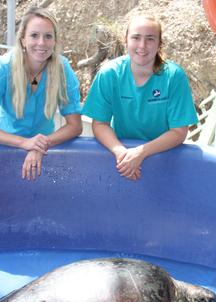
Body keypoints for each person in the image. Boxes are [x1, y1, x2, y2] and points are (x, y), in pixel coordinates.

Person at [82, 15, 198, 181]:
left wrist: (141, 153)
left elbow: (179, 132)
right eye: (136, 38)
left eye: (150, 39)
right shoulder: (110, 74)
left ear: (159, 44)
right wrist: (121, 153)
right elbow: (100, 124)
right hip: (123, 159)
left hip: (164, 157)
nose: (142, 46)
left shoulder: (173, 76)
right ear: (126, 40)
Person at [0, 7, 82, 180]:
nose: (41, 43)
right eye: (34, 35)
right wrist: (25, 143)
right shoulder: (3, 68)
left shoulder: (62, 69)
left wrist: (40, 146)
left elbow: (75, 126)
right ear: (23, 39)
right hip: (1, 146)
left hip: (44, 148)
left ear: (55, 41)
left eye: (48, 36)